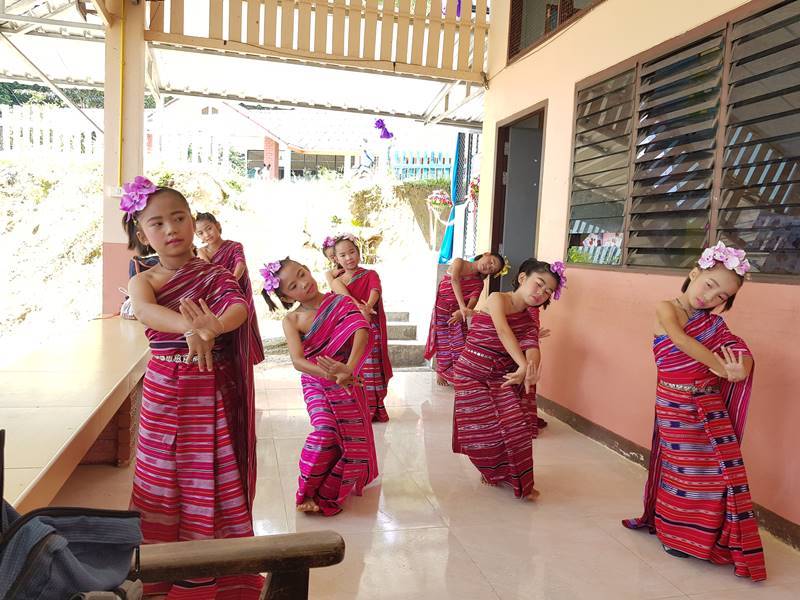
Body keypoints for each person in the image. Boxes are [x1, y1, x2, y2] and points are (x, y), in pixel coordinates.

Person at [122, 177, 262, 597]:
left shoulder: (214, 274)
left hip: (211, 389)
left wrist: (213, 327)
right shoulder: (143, 279)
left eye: (179, 218)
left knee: (211, 476)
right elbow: (146, 312)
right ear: (142, 234)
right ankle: (157, 575)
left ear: (191, 221)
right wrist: (193, 328)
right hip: (164, 389)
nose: (171, 229)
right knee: (159, 476)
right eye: (157, 223)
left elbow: (237, 306)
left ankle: (214, 577)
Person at [623, 241, 766, 582]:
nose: (710, 297)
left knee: (722, 475)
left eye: (721, 296)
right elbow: (680, 340)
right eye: (709, 284)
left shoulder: (714, 325)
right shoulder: (666, 308)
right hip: (674, 406)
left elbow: (739, 349)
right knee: (684, 473)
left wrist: (740, 369)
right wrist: (721, 367)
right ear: (694, 273)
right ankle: (675, 535)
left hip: (710, 406)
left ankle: (706, 537)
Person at [262, 258, 379, 515]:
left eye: (302, 274)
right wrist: (330, 375)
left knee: (352, 441)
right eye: (293, 286)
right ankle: (306, 492)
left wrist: (348, 369)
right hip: (316, 381)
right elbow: (298, 361)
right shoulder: (292, 320)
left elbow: (361, 330)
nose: (304, 284)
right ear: (286, 296)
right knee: (326, 432)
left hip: (348, 379)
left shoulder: (340, 301)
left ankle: (327, 494)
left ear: (307, 269)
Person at [453, 258, 565, 500]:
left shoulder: (529, 320)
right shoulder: (497, 298)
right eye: (539, 284)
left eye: (548, 291)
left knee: (517, 428)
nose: (541, 293)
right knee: (483, 431)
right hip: (471, 373)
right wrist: (523, 364)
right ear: (523, 278)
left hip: (500, 376)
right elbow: (503, 331)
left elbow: (532, 347)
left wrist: (531, 367)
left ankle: (519, 482)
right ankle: (491, 471)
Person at [326, 234, 392, 422]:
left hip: (370, 328)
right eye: (343, 255)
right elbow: (344, 300)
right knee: (355, 367)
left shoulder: (370, 274)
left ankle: (373, 409)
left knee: (371, 369)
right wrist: (360, 310)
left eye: (352, 252)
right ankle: (358, 408)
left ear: (359, 252)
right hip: (350, 331)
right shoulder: (337, 281)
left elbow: (375, 290)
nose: (349, 258)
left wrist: (368, 306)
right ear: (336, 259)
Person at [425, 252, 506, 386]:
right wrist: (463, 307)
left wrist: (463, 311)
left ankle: (460, 375)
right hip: (442, 310)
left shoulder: (479, 283)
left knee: (460, 344)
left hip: (458, 314)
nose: (488, 267)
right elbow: (454, 280)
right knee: (443, 342)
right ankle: (441, 371)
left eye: (492, 269)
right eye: (491, 262)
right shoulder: (460, 262)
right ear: (486, 254)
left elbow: (473, 301)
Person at [195, 212, 265, 365]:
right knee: (222, 329)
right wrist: (221, 288)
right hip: (216, 296)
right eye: (200, 233)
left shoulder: (235, 246)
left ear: (217, 226)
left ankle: (245, 359)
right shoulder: (202, 251)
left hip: (237, 292)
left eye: (209, 228)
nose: (206, 234)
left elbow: (240, 264)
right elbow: (209, 270)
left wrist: (230, 282)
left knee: (241, 326)